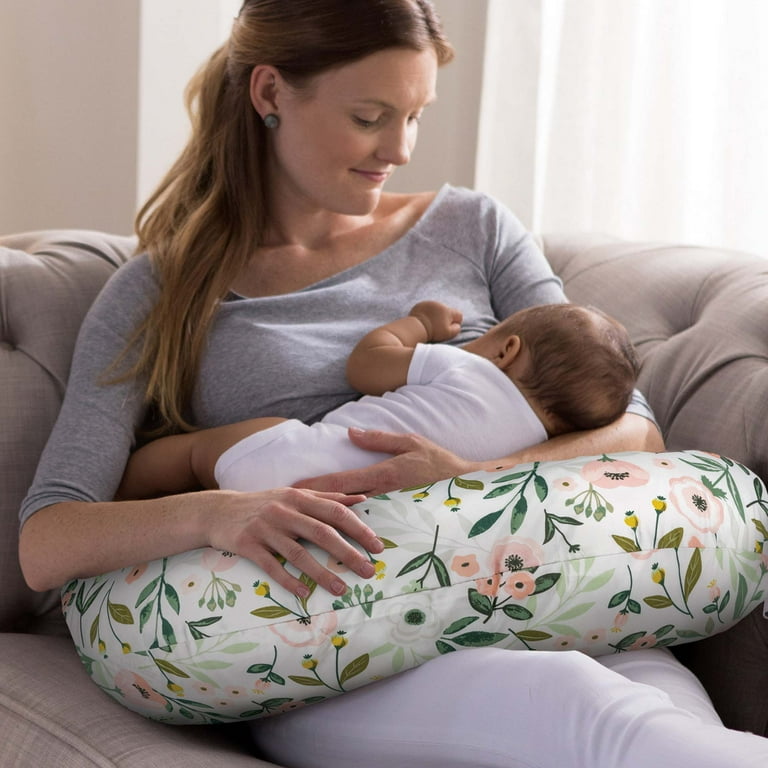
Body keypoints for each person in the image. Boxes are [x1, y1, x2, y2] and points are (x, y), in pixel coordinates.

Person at [17, 1, 768, 765]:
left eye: (414, 116)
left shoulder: (473, 229)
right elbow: (48, 541)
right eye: (372, 116)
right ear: (272, 94)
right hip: (331, 654)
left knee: (670, 718)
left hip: (537, 589)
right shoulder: (163, 288)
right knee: (594, 714)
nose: (401, 149)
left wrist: (472, 479)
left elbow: (634, 434)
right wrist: (222, 514)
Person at [117, 300, 639, 498]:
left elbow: (366, 364)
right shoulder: (532, 448)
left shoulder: (464, 365)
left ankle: (123, 493)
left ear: (506, 349)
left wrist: (420, 326)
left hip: (288, 461)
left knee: (190, 454)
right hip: (347, 515)